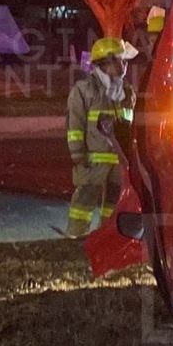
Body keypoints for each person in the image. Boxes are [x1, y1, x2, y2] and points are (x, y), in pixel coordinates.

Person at [63, 37, 138, 238]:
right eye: (121, 60)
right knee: (84, 203)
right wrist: (78, 155)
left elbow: (130, 126)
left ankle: (106, 238)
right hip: (93, 162)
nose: (125, 65)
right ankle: (75, 236)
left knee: (114, 205)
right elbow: (75, 125)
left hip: (119, 161)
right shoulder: (84, 90)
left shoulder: (127, 91)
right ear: (106, 62)